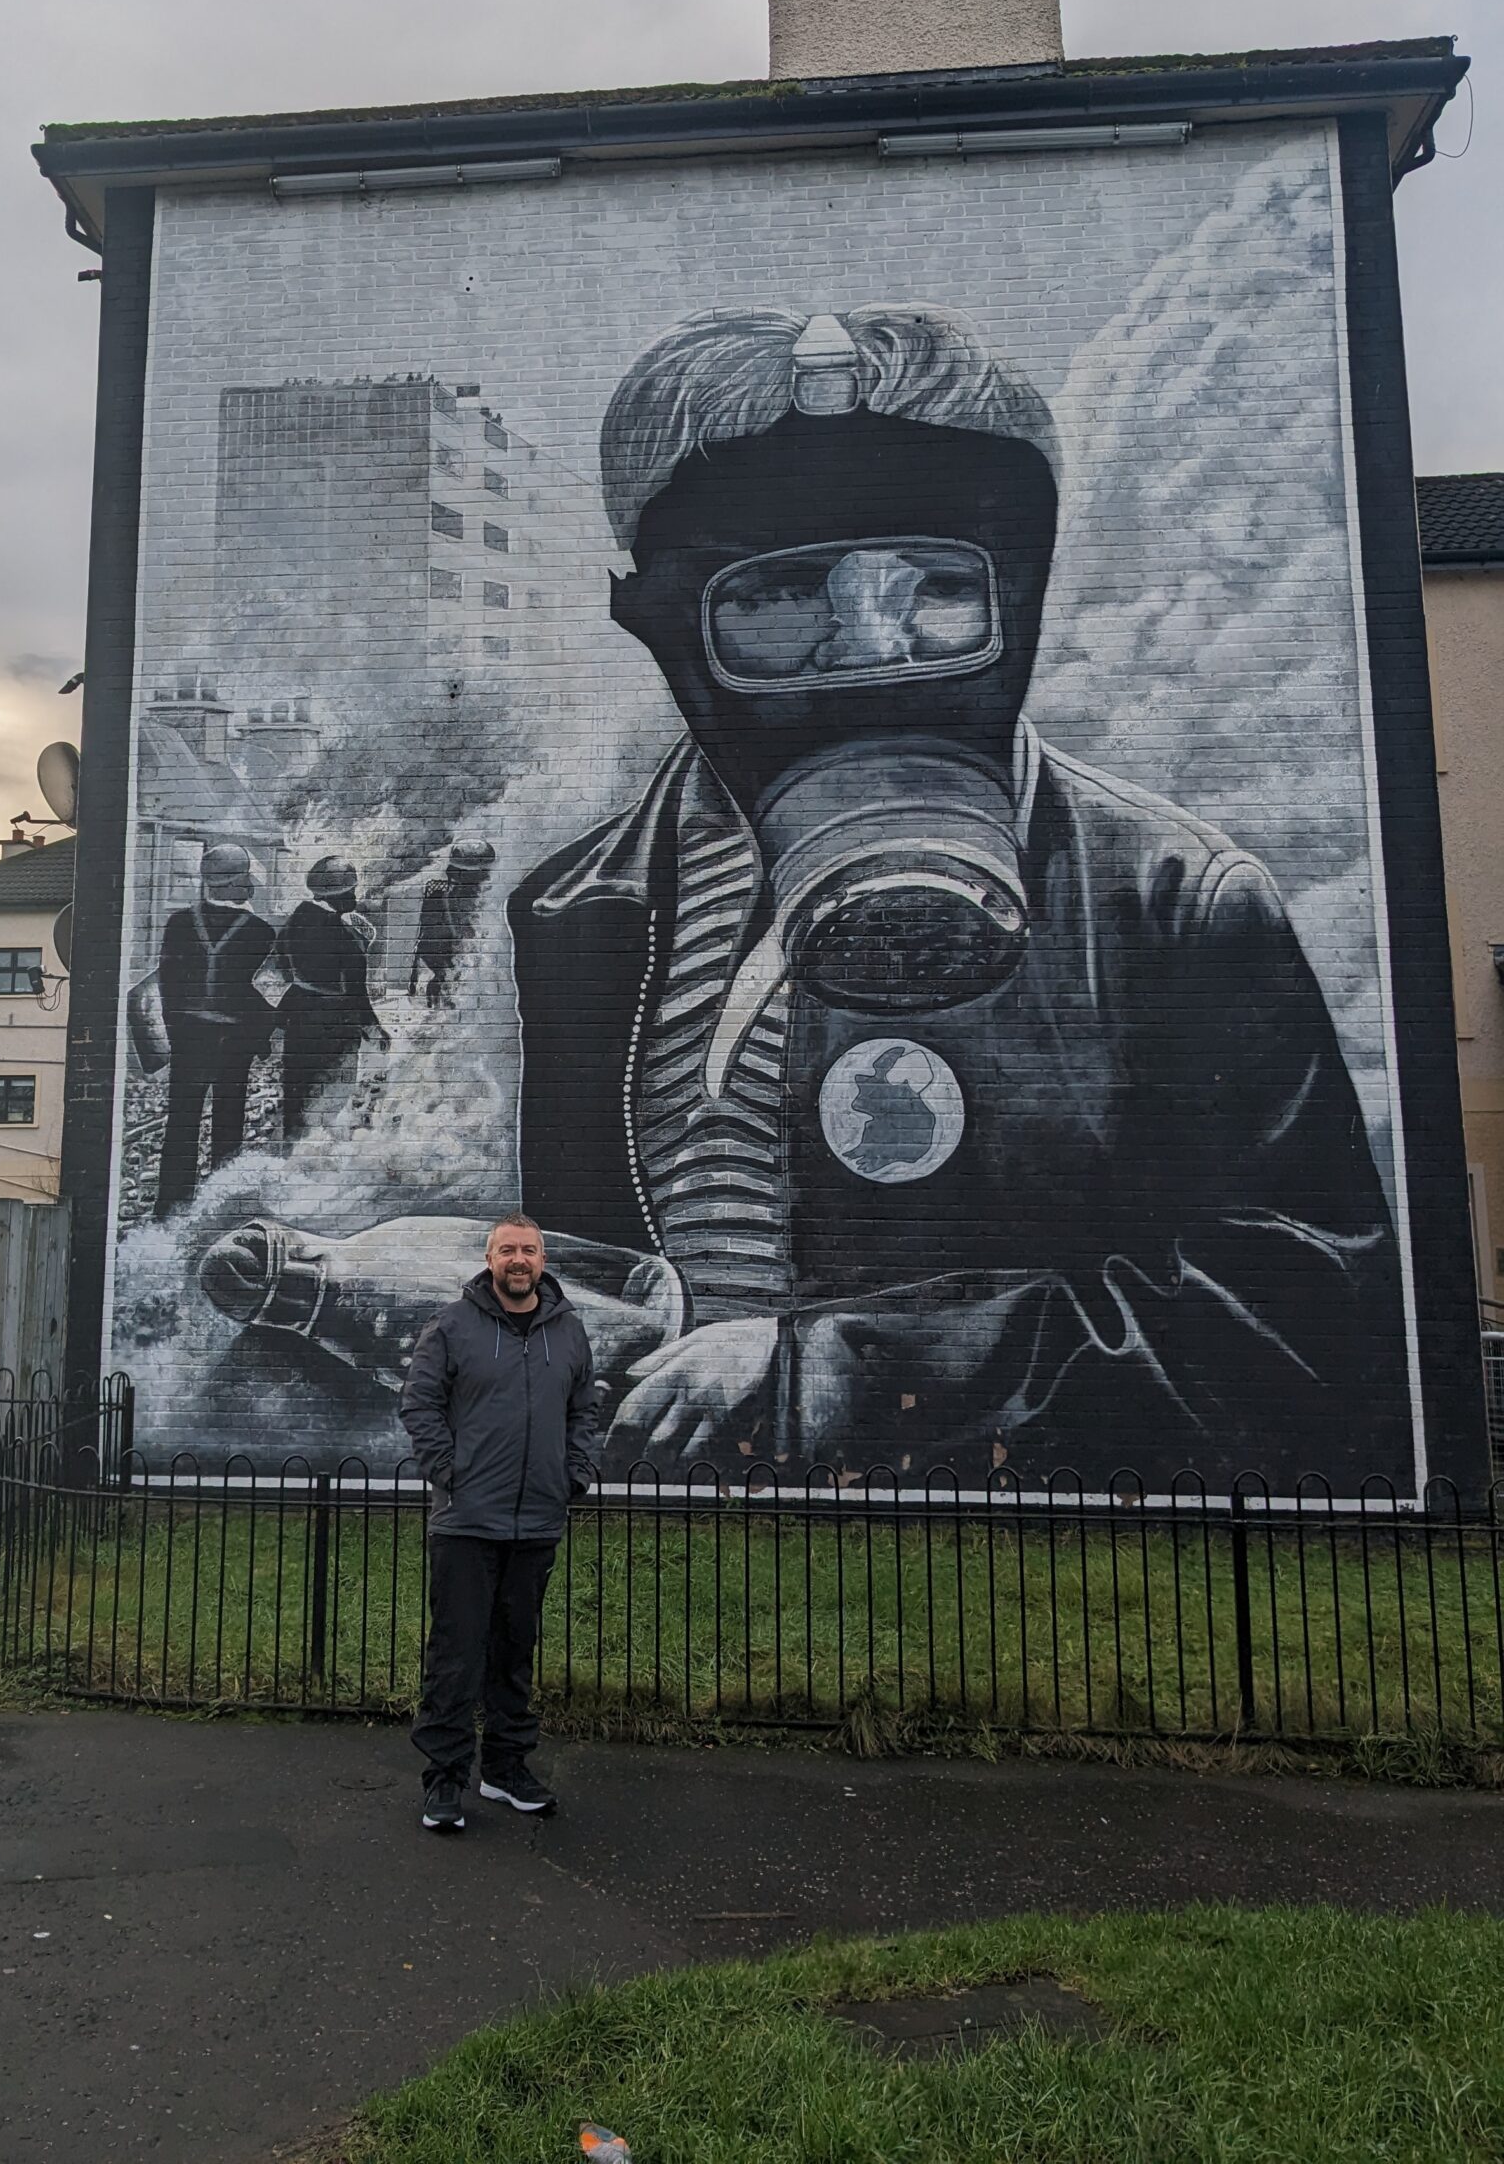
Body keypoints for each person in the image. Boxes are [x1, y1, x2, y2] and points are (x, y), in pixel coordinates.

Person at [500, 301, 1407, 1482]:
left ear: (1022, 594)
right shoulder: (580, 916)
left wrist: (836, 1376)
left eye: (933, 586)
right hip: (668, 1552)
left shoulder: (1172, 906)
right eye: (778, 602)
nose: (870, 657)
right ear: (656, 623)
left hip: (986, 1564)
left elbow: (1312, 1328)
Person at [398, 1214, 600, 1831]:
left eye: (530, 1250)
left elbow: (583, 1409)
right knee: (456, 1656)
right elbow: (419, 1402)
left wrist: (573, 1474)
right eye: (507, 1249)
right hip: (466, 1523)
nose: (519, 1259)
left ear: (543, 1260)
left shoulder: (567, 1331)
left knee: (515, 1653)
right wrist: (451, 1472)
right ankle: (444, 1781)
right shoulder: (454, 1326)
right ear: (490, 1260)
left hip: (536, 1521)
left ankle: (506, 1770)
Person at [154, 842, 275, 1217]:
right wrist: (261, 1041)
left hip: (189, 1037)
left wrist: (175, 1033)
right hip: (234, 1040)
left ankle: (171, 1203)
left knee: (182, 1120)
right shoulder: (260, 932)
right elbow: (261, 997)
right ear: (239, 883)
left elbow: (167, 987)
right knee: (229, 1119)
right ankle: (220, 1203)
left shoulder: (178, 924)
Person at [274, 855, 390, 1145]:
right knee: (332, 1096)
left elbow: (277, 973)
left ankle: (291, 1150)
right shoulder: (345, 933)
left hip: (300, 1020)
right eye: (349, 891)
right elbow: (355, 993)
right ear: (336, 894)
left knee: (297, 1092)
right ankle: (319, 1157)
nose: (354, 896)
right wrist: (375, 1029)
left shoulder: (293, 923)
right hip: (337, 1025)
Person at [409, 839, 497, 1006]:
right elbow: (428, 942)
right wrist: (441, 975)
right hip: (453, 976)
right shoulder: (441, 897)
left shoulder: (484, 901)